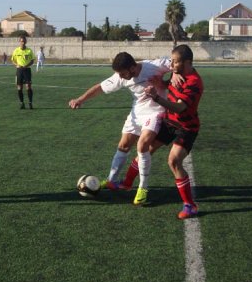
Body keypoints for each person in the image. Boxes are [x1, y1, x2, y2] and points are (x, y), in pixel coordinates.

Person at [68, 51, 177, 206]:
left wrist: (167, 81)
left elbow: (177, 64)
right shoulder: (121, 76)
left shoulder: (154, 66)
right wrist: (80, 99)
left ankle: (143, 189)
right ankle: (112, 180)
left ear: (132, 67)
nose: (120, 77)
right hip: (137, 112)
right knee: (123, 145)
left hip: (155, 112)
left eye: (123, 73)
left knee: (142, 146)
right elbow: (100, 87)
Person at [119, 44, 203, 219]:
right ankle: (127, 183)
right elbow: (169, 85)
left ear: (188, 62)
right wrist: (161, 83)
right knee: (146, 149)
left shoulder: (194, 82)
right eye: (171, 61)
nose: (171, 65)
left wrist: (156, 97)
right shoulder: (177, 72)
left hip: (186, 128)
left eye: (175, 61)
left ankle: (190, 206)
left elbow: (179, 107)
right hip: (169, 122)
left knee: (173, 161)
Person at [11, 36, 35, 109]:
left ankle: (30, 103)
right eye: (21, 41)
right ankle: (22, 103)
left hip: (27, 70)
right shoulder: (16, 50)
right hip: (19, 70)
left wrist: (26, 65)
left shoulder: (29, 50)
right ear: (19, 42)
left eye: (24, 41)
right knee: (19, 87)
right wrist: (17, 65)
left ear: (26, 42)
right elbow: (13, 60)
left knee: (28, 86)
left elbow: (32, 60)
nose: (23, 43)